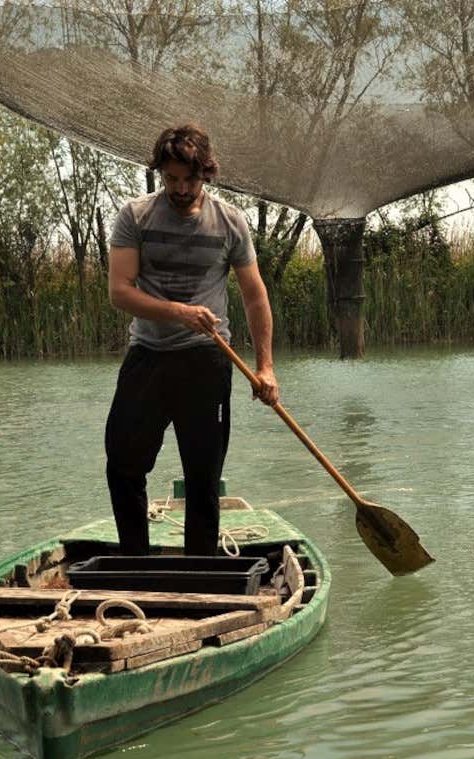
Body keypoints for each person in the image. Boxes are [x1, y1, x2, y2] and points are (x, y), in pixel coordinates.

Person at [105, 124, 279, 556]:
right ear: (160, 173)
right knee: (124, 466)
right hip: (148, 355)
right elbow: (120, 292)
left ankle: (200, 571)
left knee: (203, 477)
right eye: (172, 179)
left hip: (207, 360)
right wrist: (180, 313)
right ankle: (135, 564)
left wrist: (265, 367)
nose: (181, 188)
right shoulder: (135, 216)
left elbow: (255, 296)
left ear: (206, 173)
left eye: (190, 179)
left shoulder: (230, 221)